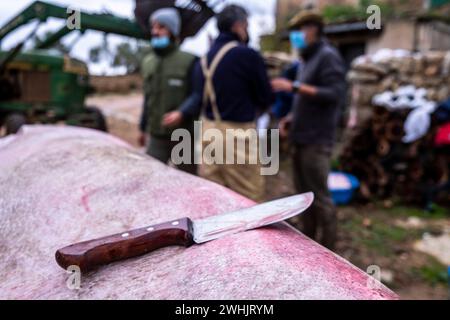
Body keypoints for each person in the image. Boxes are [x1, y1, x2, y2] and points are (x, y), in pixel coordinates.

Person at [163, 5, 273, 202]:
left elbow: (198, 97)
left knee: (216, 197)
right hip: (238, 137)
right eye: (246, 25)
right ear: (238, 26)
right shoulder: (247, 55)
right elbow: (265, 97)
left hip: (207, 133)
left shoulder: (202, 60)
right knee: (248, 198)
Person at [271, 9, 346, 250]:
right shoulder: (307, 59)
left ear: (313, 29)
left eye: (299, 30)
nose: (296, 36)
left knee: (320, 197)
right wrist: (291, 117)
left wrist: (293, 86)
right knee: (304, 195)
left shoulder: (328, 56)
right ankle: (310, 241)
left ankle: (330, 247)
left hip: (317, 139)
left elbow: (334, 94)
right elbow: (307, 97)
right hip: (301, 136)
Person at [139, 8, 198, 175]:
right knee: (150, 176)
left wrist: (182, 112)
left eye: (161, 27)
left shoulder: (189, 61)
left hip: (182, 136)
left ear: (173, 31)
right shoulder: (148, 62)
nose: (155, 32)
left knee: (189, 181)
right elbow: (147, 98)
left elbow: (197, 95)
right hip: (156, 136)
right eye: (154, 27)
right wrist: (142, 128)